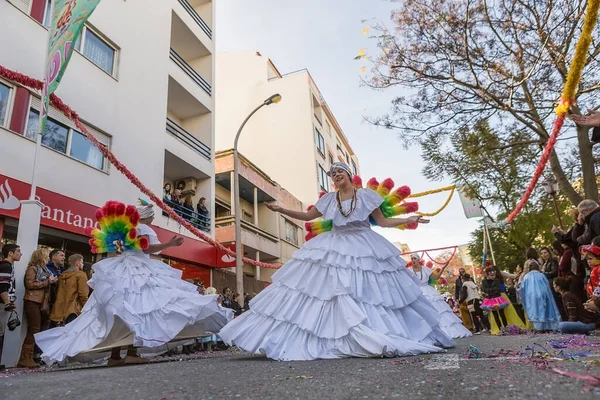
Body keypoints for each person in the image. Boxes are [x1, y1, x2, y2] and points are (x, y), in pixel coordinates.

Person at [219, 162, 456, 360]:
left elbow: (382, 222)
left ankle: (378, 330)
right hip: (334, 244)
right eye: (333, 174)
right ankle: (333, 333)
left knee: (372, 292)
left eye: (340, 172)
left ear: (349, 175)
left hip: (364, 244)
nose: (336, 175)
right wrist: (281, 209)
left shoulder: (365, 196)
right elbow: (307, 216)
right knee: (329, 290)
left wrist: (410, 218)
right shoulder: (329, 200)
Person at [34, 201, 233, 366]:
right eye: (153, 214)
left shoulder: (127, 229)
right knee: (139, 309)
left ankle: (115, 356)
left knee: (119, 311)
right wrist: (169, 244)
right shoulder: (144, 227)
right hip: (138, 268)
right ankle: (130, 352)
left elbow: (122, 249)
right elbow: (145, 248)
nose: (154, 217)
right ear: (147, 216)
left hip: (122, 267)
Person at [409, 255, 472, 338]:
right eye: (412, 259)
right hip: (417, 291)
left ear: (418, 260)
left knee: (438, 309)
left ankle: (444, 331)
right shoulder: (409, 270)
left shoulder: (425, 269)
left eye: (415, 258)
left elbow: (436, 277)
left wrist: (442, 268)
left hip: (428, 291)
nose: (413, 260)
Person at [18, 248, 57, 368]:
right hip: (33, 301)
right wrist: (47, 282)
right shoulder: (33, 268)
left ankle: (29, 357)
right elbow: (30, 284)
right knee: (34, 329)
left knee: (37, 329)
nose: (48, 259)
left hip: (41, 302)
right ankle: (25, 358)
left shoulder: (44, 270)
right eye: (46, 256)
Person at [518, 260, 561, 332]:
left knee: (535, 310)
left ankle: (539, 327)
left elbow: (522, 289)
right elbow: (547, 285)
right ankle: (548, 326)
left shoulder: (526, 276)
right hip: (543, 294)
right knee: (545, 309)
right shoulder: (542, 275)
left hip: (531, 296)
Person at [49, 254, 89, 326]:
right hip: (73, 310)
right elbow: (83, 295)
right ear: (77, 263)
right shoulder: (81, 275)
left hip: (58, 311)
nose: (83, 264)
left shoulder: (63, 274)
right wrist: (87, 308)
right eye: (82, 262)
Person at [0, 244, 21, 365]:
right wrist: (7, 302)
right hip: (2, 303)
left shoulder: (8, 266)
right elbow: (3, 285)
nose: (20, 254)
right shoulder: (6, 266)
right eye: (18, 251)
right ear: (10, 253)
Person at [480, 267, 509, 332]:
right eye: (491, 275)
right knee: (495, 314)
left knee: (502, 314)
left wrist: (489, 291)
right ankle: (500, 328)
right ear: (487, 275)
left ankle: (506, 327)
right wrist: (491, 290)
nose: (493, 276)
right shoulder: (484, 281)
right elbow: (484, 289)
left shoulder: (497, 280)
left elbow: (498, 289)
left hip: (498, 298)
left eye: (494, 275)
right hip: (490, 300)